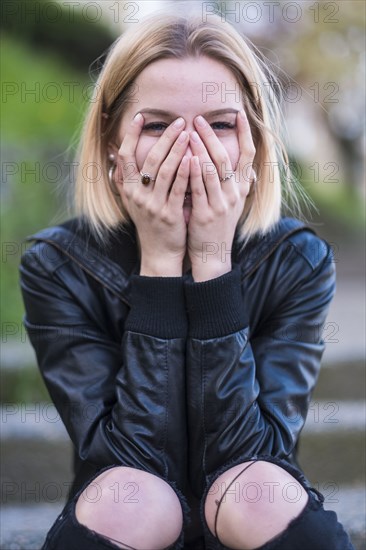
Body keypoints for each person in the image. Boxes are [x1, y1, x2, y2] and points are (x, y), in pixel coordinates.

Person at [20, 8, 354, 550]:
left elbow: (256, 455)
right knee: (135, 502)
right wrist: (158, 265)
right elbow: (125, 464)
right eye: (157, 125)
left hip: (249, 501)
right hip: (125, 507)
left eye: (219, 125)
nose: (190, 154)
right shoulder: (59, 266)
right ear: (111, 141)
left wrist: (212, 264)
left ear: (254, 147)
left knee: (258, 493)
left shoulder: (297, 261)